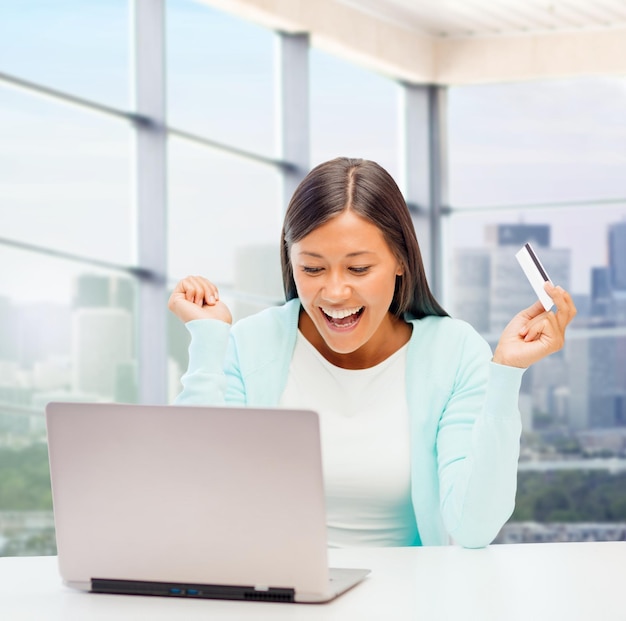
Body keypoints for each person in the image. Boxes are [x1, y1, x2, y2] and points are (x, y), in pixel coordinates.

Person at [168, 157, 576, 549]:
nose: (334, 292)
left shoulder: (452, 350)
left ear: (400, 261)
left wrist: (505, 375)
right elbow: (198, 496)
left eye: (359, 269)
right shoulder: (250, 343)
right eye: (312, 269)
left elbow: (474, 527)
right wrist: (208, 339)